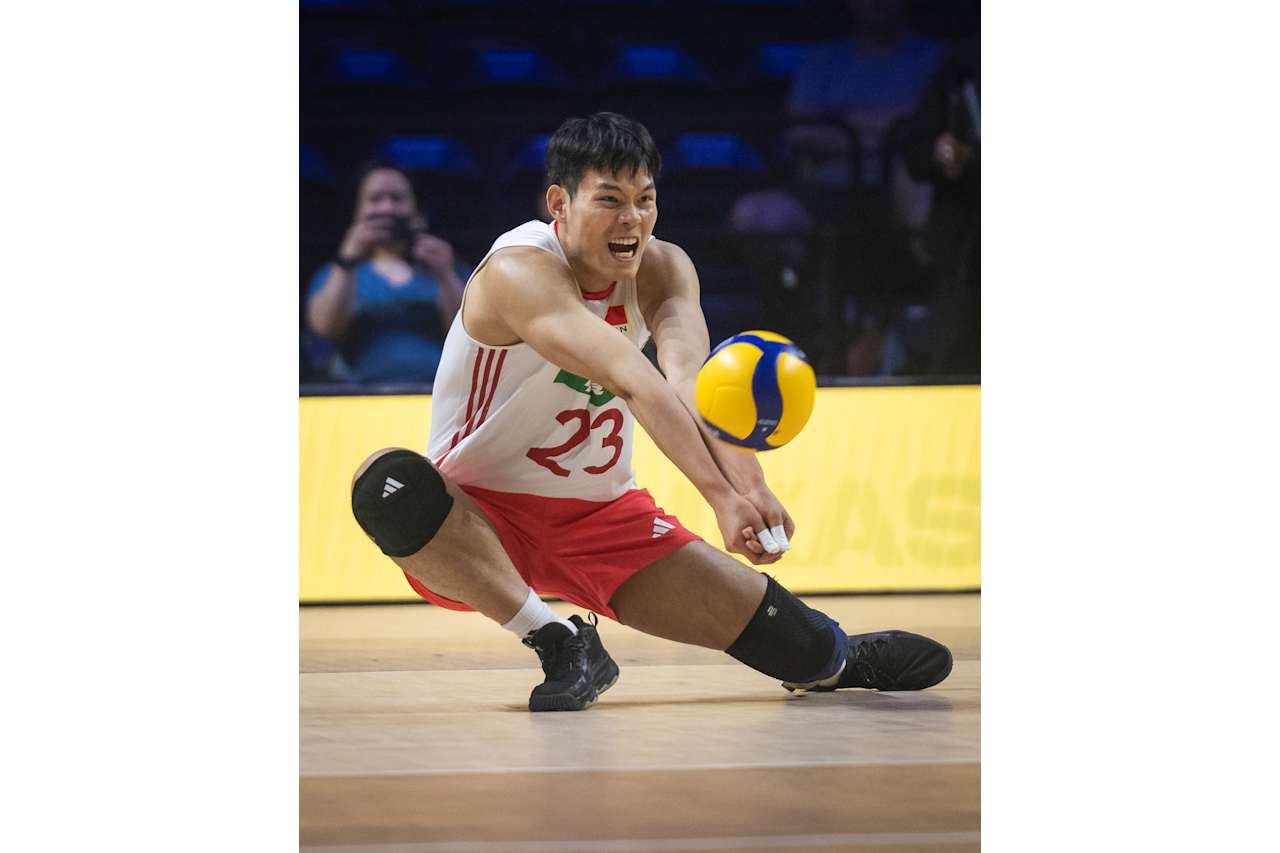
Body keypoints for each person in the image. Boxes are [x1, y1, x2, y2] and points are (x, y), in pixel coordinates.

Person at [349, 113, 952, 712]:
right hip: (478, 518)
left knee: (808, 650)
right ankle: (557, 639)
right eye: (609, 200)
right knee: (385, 481)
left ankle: (836, 661)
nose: (632, 219)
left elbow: (691, 385)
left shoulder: (664, 268)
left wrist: (751, 486)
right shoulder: (518, 271)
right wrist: (720, 498)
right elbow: (636, 380)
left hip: (601, 515)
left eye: (645, 199)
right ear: (559, 203)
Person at [306, 160, 468, 384]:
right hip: (356, 395)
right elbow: (324, 329)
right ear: (357, 210)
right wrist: (347, 259)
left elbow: (472, 332)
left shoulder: (446, 266)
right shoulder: (336, 272)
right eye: (375, 199)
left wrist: (446, 275)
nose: (387, 209)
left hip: (436, 392)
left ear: (416, 208)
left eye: (397, 199)